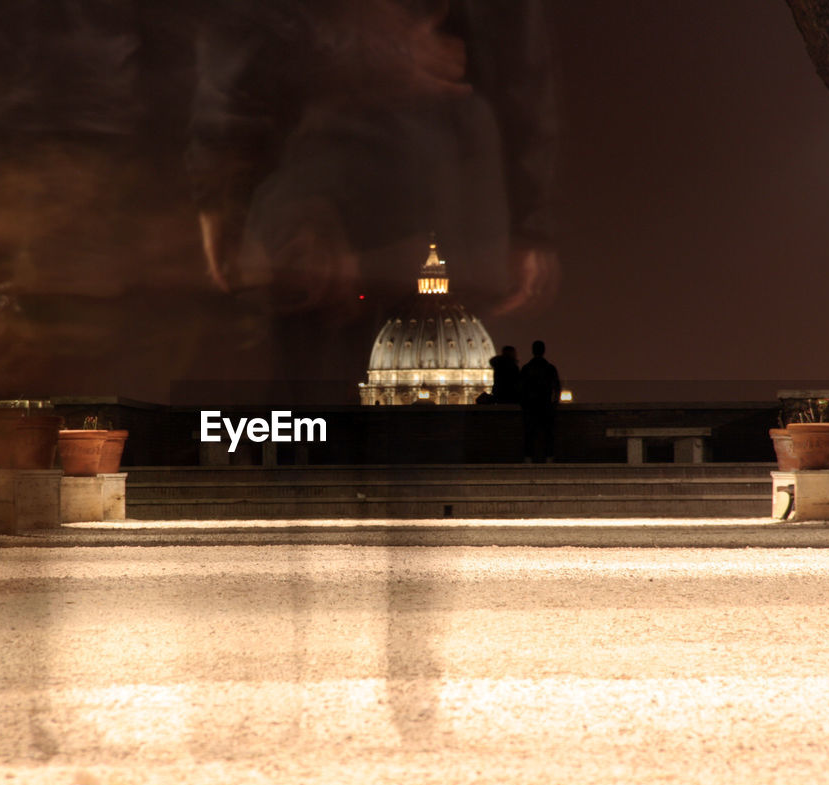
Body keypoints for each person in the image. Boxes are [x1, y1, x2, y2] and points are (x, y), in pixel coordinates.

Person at [186, 0, 560, 396]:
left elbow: (239, 41)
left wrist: (217, 189)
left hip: (312, 172)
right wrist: (528, 221)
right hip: (428, 164)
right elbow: (520, 67)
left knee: (313, 409)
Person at [518, 339, 559, 462]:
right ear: (544, 351)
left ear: (532, 351)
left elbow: (520, 388)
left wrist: (524, 403)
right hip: (545, 405)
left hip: (530, 406)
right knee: (548, 434)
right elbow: (557, 387)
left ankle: (528, 458)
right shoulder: (550, 368)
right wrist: (554, 404)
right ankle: (549, 457)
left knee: (529, 433)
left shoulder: (526, 368)